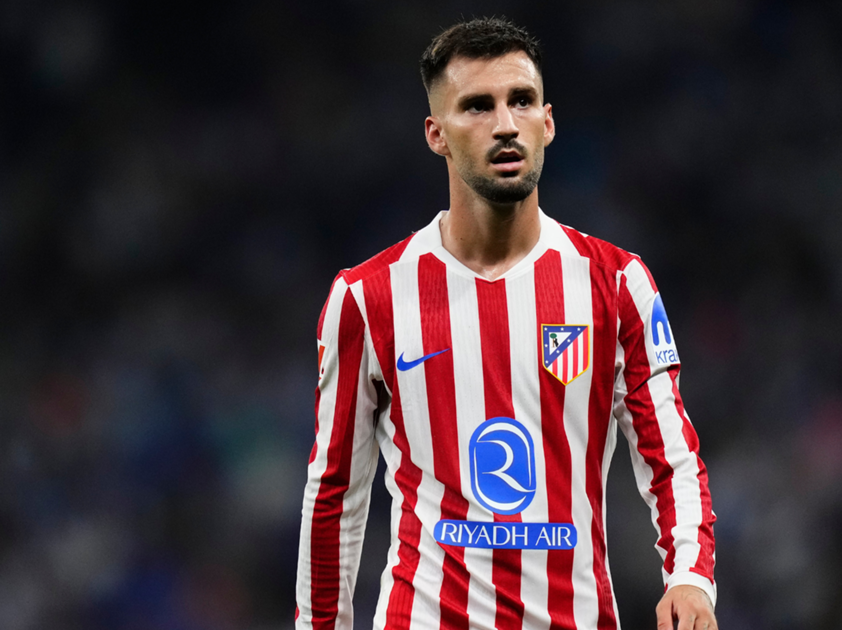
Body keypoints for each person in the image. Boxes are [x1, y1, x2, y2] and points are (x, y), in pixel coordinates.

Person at [295, 17, 718, 630]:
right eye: (477, 106)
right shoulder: (369, 297)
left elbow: (670, 456)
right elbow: (334, 492)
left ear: (548, 122)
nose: (505, 124)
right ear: (436, 134)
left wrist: (689, 577)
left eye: (521, 101)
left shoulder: (616, 283)